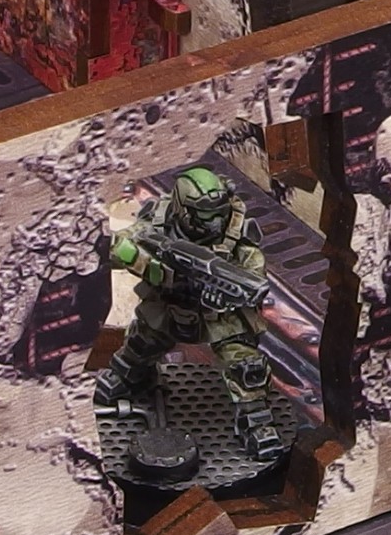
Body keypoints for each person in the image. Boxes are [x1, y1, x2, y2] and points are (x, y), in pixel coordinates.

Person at [92, 166, 283, 462]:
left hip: (220, 318)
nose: (215, 222)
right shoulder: (160, 218)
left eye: (219, 213)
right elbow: (120, 247)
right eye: (205, 215)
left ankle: (256, 423)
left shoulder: (238, 232)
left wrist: (223, 296)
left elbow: (253, 272)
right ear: (183, 209)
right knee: (140, 345)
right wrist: (159, 271)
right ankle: (132, 378)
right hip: (169, 306)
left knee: (247, 367)